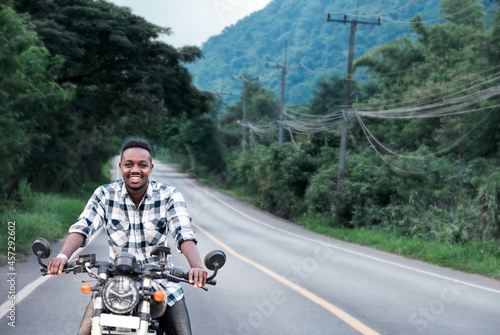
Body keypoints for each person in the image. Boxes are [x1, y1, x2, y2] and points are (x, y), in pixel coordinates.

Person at [47, 139, 207, 335]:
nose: (135, 170)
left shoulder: (169, 195)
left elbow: (183, 233)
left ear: (151, 168)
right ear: (121, 166)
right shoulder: (104, 194)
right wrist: (63, 257)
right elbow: (83, 227)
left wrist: (197, 267)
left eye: (142, 165)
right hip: (115, 283)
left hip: (160, 281)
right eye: (129, 164)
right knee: (84, 332)